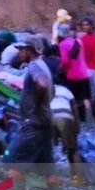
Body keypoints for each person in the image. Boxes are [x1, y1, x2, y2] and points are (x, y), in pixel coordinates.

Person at [9, 36, 55, 168]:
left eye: (21, 49)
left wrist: (36, 105)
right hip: (45, 122)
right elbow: (53, 90)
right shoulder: (43, 65)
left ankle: (18, 189)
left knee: (12, 160)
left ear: (29, 51)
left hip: (33, 124)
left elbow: (43, 85)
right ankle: (54, 189)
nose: (19, 52)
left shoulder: (34, 65)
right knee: (47, 168)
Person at [50, 84, 85, 185]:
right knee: (73, 149)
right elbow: (75, 109)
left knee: (48, 150)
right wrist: (77, 127)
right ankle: (78, 179)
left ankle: (50, 179)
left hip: (50, 116)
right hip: (65, 116)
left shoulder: (47, 88)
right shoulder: (66, 90)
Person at [58, 23, 92, 121]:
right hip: (85, 74)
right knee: (85, 98)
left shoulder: (62, 44)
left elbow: (65, 61)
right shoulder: (79, 41)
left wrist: (60, 68)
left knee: (74, 99)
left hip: (72, 76)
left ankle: (77, 120)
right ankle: (88, 119)